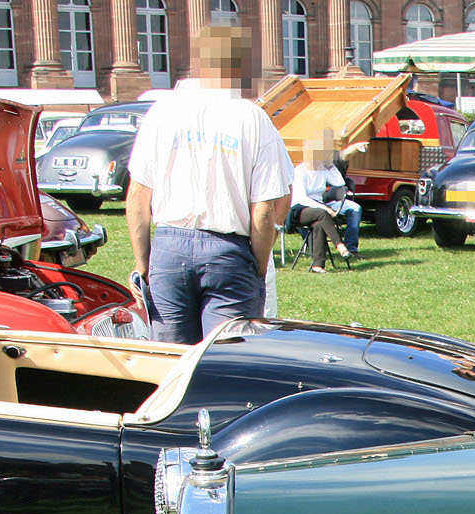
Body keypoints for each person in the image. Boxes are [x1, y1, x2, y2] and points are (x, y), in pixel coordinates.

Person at [125, 23, 292, 342]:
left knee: (172, 364)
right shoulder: (252, 117)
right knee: (225, 362)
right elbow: (266, 211)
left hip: (169, 248)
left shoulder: (161, 113)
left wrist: (144, 263)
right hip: (228, 250)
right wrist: (257, 268)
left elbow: (137, 198)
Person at [291, 130, 352, 272]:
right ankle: (340, 246)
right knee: (322, 214)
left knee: (319, 225)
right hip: (300, 210)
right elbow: (302, 198)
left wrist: (331, 166)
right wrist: (325, 209)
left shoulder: (322, 170)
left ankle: (318, 265)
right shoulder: (300, 171)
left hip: (319, 211)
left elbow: (339, 182)